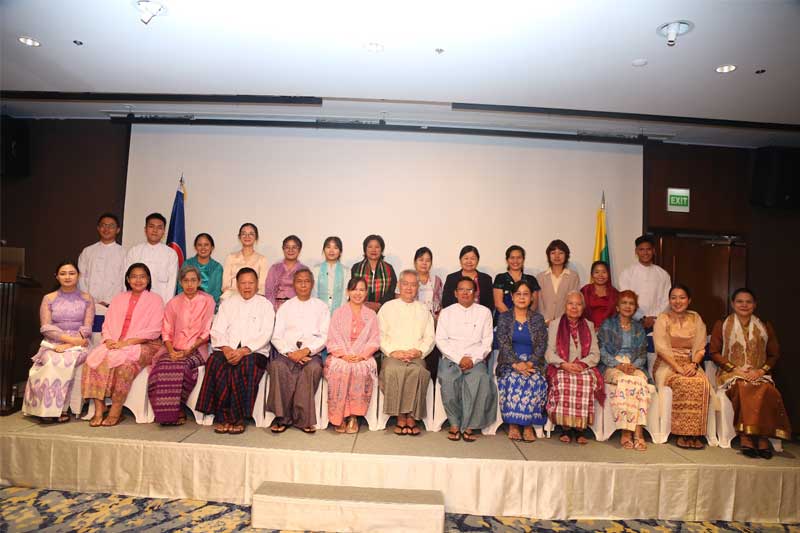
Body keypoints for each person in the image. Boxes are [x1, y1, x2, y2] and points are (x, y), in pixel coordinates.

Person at [709, 288, 791, 458]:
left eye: (748, 302)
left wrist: (761, 371)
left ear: (755, 304)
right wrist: (735, 369)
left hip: (759, 373)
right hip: (730, 373)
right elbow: (714, 352)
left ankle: (761, 436)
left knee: (768, 390)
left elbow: (774, 354)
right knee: (743, 386)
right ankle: (746, 436)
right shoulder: (722, 324)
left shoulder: (764, 326)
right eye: (739, 301)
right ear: (732, 304)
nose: (744, 305)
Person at [82, 263, 165, 427]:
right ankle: (99, 410)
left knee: (125, 366)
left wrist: (126, 343)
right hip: (116, 343)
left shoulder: (155, 299)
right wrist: (109, 340)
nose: (138, 280)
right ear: (127, 279)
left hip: (146, 344)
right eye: (134, 276)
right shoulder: (119, 298)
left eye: (142, 276)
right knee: (93, 361)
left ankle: (115, 411)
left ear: (148, 279)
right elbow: (106, 325)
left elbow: (154, 330)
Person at [196, 268, 275, 435]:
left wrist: (243, 351)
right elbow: (217, 330)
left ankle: (238, 417)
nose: (247, 287)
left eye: (251, 283)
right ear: (237, 285)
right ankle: (223, 416)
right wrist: (226, 349)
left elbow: (266, 333)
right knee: (215, 362)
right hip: (227, 349)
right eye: (243, 283)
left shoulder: (265, 305)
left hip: (255, 352)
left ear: (257, 284)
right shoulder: (228, 303)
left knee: (246, 365)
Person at [22, 260, 94, 422]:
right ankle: (43, 409)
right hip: (53, 341)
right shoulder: (49, 298)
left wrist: (71, 344)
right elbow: (46, 327)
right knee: (50, 359)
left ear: (78, 275)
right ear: (56, 277)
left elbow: (87, 328)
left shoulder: (87, 298)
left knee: (66, 360)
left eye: (71, 273)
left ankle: (60, 409)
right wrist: (65, 340)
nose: (67, 277)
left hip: (79, 343)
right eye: (63, 273)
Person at [148, 264, 215, 425]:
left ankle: (179, 409)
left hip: (197, 349)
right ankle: (166, 414)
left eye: (193, 280)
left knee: (181, 367)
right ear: (180, 282)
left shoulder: (207, 300)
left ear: (199, 282)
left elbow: (207, 330)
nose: (190, 284)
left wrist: (189, 350)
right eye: (186, 281)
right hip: (174, 348)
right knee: (162, 366)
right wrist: (171, 351)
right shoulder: (173, 302)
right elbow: (167, 330)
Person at [268, 268, 330, 433]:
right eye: (299, 281)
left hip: (311, 354)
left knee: (313, 369)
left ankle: (304, 419)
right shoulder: (285, 307)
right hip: (287, 353)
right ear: (294, 285)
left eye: (307, 281)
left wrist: (306, 351)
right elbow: (276, 336)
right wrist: (290, 353)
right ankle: (282, 417)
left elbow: (325, 336)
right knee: (277, 367)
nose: (303, 285)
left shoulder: (321, 307)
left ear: (312, 284)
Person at [436, 277, 496, 442]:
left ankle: (469, 425)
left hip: (475, 360)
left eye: (469, 290)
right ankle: (454, 424)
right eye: (461, 289)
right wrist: (458, 358)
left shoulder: (484, 312)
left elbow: (487, 342)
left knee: (480, 378)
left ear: (475, 293)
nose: (465, 293)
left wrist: (473, 359)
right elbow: (441, 340)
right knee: (448, 379)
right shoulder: (446, 312)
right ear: (455, 293)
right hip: (451, 357)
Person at [378, 270, 435, 436]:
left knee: (417, 371)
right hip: (393, 355)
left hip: (416, 355)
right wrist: (393, 352)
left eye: (413, 284)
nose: (409, 288)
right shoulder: (387, 307)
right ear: (399, 286)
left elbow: (430, 337)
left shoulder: (424, 309)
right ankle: (400, 416)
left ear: (418, 287)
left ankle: (411, 415)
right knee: (393, 370)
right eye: (405, 284)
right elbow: (379, 335)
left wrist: (419, 351)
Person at [653, 284, 710, 449]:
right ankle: (681, 432)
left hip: (690, 363)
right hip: (667, 363)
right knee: (682, 382)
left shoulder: (695, 318)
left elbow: (700, 347)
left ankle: (696, 432)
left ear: (689, 300)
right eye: (674, 298)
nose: (678, 301)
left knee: (700, 382)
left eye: (682, 297)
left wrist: (694, 364)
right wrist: (677, 367)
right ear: (669, 300)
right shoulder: (663, 318)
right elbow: (661, 348)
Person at [545, 291, 604, 444]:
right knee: (564, 381)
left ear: (583, 307)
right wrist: (563, 364)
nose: (574, 307)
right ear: (565, 306)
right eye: (571, 303)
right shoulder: (555, 324)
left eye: (578, 304)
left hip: (582, 367)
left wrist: (582, 364)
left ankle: (579, 429)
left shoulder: (589, 326)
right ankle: (565, 428)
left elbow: (595, 354)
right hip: (561, 366)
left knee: (585, 381)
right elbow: (549, 353)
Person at [597, 290, 651, 451]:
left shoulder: (638, 328)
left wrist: (634, 365)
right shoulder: (608, 324)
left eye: (631, 303)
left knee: (640, 381)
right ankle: (630, 432)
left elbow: (642, 353)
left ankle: (634, 430)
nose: (628, 306)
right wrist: (619, 365)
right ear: (618, 307)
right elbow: (602, 350)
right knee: (627, 381)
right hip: (612, 365)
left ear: (635, 307)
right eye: (624, 303)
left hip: (634, 365)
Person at [324, 277, 380, 433]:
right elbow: (332, 338)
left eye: (362, 290)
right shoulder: (338, 313)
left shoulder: (371, 315)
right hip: (341, 355)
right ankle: (339, 416)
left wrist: (362, 355)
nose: (358, 293)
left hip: (363, 356)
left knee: (359, 370)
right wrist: (343, 355)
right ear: (348, 292)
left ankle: (353, 416)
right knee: (341, 369)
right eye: (354, 289)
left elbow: (375, 340)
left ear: (366, 293)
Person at [495, 279, 548, 443]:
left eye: (526, 294)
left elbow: (541, 345)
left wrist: (530, 363)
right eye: (518, 294)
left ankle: (527, 426)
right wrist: (516, 364)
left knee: (535, 379)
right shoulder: (504, 318)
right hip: (509, 362)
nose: (522, 297)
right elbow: (503, 343)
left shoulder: (538, 319)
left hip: (533, 363)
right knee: (513, 378)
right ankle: (513, 425)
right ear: (512, 296)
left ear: (532, 297)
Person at [618, 235, 671, 353]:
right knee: (634, 356)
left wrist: (653, 318)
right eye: (641, 249)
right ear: (636, 251)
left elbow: (667, 300)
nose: (645, 253)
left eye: (648, 249)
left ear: (653, 251)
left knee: (654, 357)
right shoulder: (627, 273)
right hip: (632, 322)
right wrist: (641, 318)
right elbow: (625, 300)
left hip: (657, 323)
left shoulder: (663, 274)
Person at [77, 213, 125, 334]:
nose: (106, 229)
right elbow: (81, 278)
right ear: (98, 228)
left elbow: (123, 280)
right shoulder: (88, 251)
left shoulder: (124, 253)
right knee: (87, 338)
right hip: (88, 305)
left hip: (112, 306)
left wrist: (108, 301)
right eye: (103, 225)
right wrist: (90, 299)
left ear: (118, 230)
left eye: (111, 226)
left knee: (106, 338)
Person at [125, 213, 178, 305]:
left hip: (160, 303)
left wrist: (166, 306)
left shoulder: (171, 254)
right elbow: (127, 279)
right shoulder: (134, 251)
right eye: (151, 226)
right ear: (145, 229)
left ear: (164, 231)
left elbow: (171, 284)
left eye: (159, 227)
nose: (155, 230)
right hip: (136, 303)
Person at [408, 246, 443, 380]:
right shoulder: (408, 279)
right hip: (413, 324)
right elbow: (399, 302)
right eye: (421, 260)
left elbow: (440, 304)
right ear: (415, 262)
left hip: (432, 324)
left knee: (432, 357)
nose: (424, 263)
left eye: (427, 260)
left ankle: (431, 386)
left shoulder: (437, 280)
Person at [536, 239, 580, 325]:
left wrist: (565, 321)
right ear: (548, 255)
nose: (557, 256)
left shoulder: (573, 276)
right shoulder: (540, 277)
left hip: (566, 324)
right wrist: (545, 320)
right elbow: (539, 303)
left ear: (566, 255)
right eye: (553, 253)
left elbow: (573, 302)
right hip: (544, 324)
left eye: (560, 253)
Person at [221, 223, 269, 298]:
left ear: (256, 237)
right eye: (244, 234)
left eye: (251, 234)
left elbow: (262, 287)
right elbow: (225, 285)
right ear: (239, 237)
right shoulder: (230, 257)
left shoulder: (262, 259)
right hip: (232, 298)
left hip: (254, 299)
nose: (247, 236)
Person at [351, 234, 397, 312]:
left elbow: (392, 291)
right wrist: (364, 303)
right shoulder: (356, 268)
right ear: (365, 249)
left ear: (381, 250)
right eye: (370, 247)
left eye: (377, 247)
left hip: (383, 310)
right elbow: (352, 289)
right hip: (359, 309)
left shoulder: (389, 268)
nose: (373, 250)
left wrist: (379, 304)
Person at [492, 245, 541, 316]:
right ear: (507, 260)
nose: (515, 261)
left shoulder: (531, 279)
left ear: (523, 260)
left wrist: (523, 318)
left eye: (519, 258)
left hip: (526, 321)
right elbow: (498, 303)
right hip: (504, 320)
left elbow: (534, 304)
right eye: (512, 258)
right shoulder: (500, 278)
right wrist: (513, 319)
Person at [441, 245, 494, 311]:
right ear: (460, 260)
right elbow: (446, 303)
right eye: (466, 258)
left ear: (478, 261)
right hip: (456, 317)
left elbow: (490, 304)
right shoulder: (451, 278)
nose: (469, 261)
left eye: (472, 258)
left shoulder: (486, 279)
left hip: (480, 318)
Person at [178, 233, 223, 308]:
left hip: (209, 308)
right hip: (187, 307)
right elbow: (180, 288)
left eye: (206, 245)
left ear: (212, 247)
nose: (203, 248)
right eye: (199, 245)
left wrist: (206, 306)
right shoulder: (187, 264)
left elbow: (217, 293)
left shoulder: (217, 267)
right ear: (195, 247)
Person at [265, 235, 307, 311]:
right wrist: (273, 309)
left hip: (298, 308)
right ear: (283, 249)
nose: (290, 250)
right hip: (276, 308)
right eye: (287, 247)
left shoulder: (304, 270)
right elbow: (269, 291)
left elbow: (306, 292)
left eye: (294, 247)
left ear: (299, 250)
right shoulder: (275, 268)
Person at [312, 236, 351, 315]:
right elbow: (314, 292)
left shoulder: (346, 270)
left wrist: (340, 312)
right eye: (328, 247)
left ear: (340, 251)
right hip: (319, 311)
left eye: (336, 248)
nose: (331, 251)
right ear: (324, 250)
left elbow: (345, 294)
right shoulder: (316, 269)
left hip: (340, 312)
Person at [581, 260, 619, 330]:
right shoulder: (585, 290)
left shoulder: (615, 293)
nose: (600, 275)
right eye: (597, 272)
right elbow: (579, 312)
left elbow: (618, 316)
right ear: (592, 275)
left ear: (608, 274)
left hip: (609, 332)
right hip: (586, 330)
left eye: (604, 272)